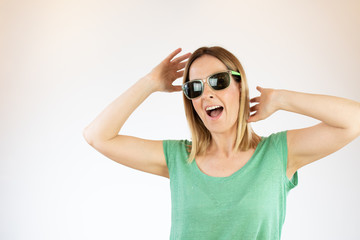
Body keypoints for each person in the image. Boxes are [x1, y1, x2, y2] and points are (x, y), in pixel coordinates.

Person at [83, 46, 360, 239]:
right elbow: (97, 136)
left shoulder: (278, 155)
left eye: (219, 81)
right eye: (195, 87)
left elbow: (354, 119)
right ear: (190, 101)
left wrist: (281, 99)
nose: (207, 94)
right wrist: (150, 82)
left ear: (240, 85)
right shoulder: (180, 159)